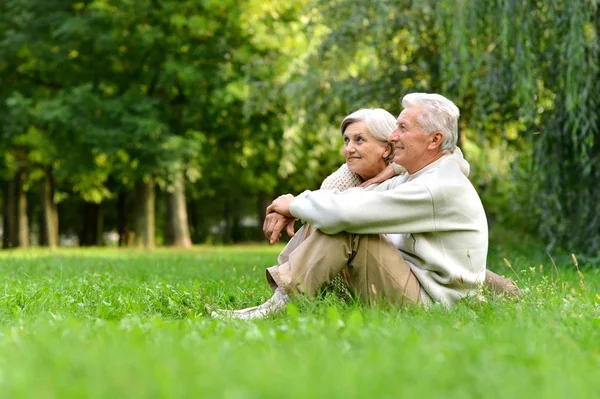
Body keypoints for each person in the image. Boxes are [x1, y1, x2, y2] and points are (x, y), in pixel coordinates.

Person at [213, 95, 518, 320]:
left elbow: (346, 214)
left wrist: (292, 204)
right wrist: (295, 207)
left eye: (402, 128)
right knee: (338, 217)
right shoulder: (421, 175)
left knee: (348, 227)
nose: (393, 136)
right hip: (420, 286)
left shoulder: (436, 185)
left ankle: (279, 307)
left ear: (434, 140)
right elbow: (350, 201)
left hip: (434, 306)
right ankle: (283, 301)